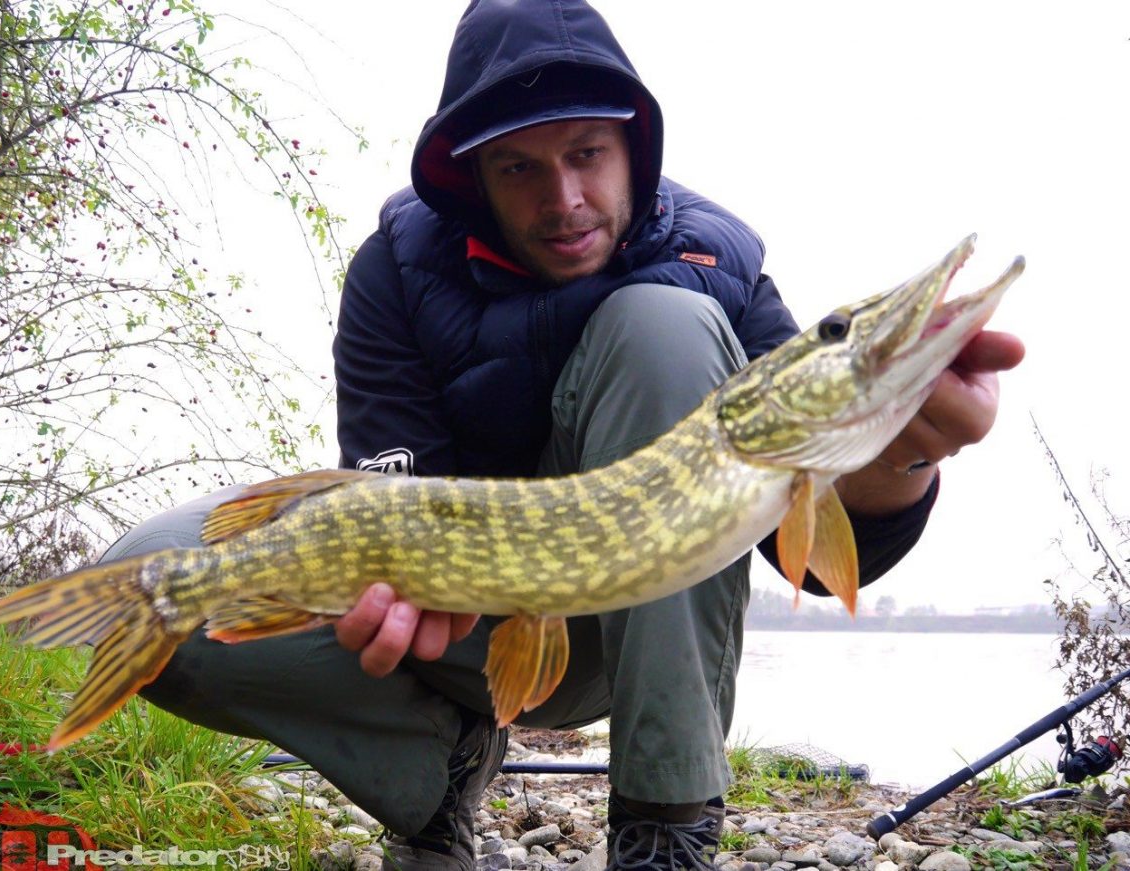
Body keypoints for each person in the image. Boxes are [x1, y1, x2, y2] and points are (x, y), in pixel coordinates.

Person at [110, 0, 1025, 868]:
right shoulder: (396, 272)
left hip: (625, 630)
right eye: (521, 168)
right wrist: (405, 571)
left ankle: (666, 823)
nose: (566, 198)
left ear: (633, 145)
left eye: (588, 153)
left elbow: (816, 555)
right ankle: (437, 782)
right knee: (157, 575)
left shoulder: (719, 265)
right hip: (462, 626)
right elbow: (390, 491)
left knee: (662, 327)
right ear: (473, 175)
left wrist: (907, 448)